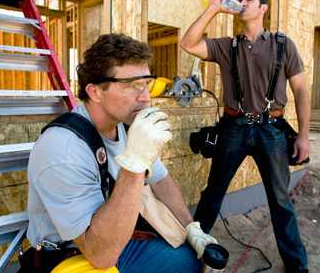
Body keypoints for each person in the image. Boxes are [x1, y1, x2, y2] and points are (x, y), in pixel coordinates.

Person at [26, 33, 218, 272]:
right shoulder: (62, 149)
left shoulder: (126, 126)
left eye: (146, 84)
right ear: (95, 92)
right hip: (71, 252)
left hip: (117, 236)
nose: (146, 98)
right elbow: (100, 255)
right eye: (132, 86)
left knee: (190, 261)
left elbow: (160, 180)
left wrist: (192, 229)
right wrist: (135, 164)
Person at [180, 0, 310, 272]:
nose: (241, 3)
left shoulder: (282, 44)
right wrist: (214, 8)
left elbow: (300, 89)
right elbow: (188, 43)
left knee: (279, 200)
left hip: (272, 130)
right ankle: (189, 255)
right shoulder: (228, 46)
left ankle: (297, 266)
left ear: (263, 8)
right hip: (233, 127)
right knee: (213, 193)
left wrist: (303, 135)